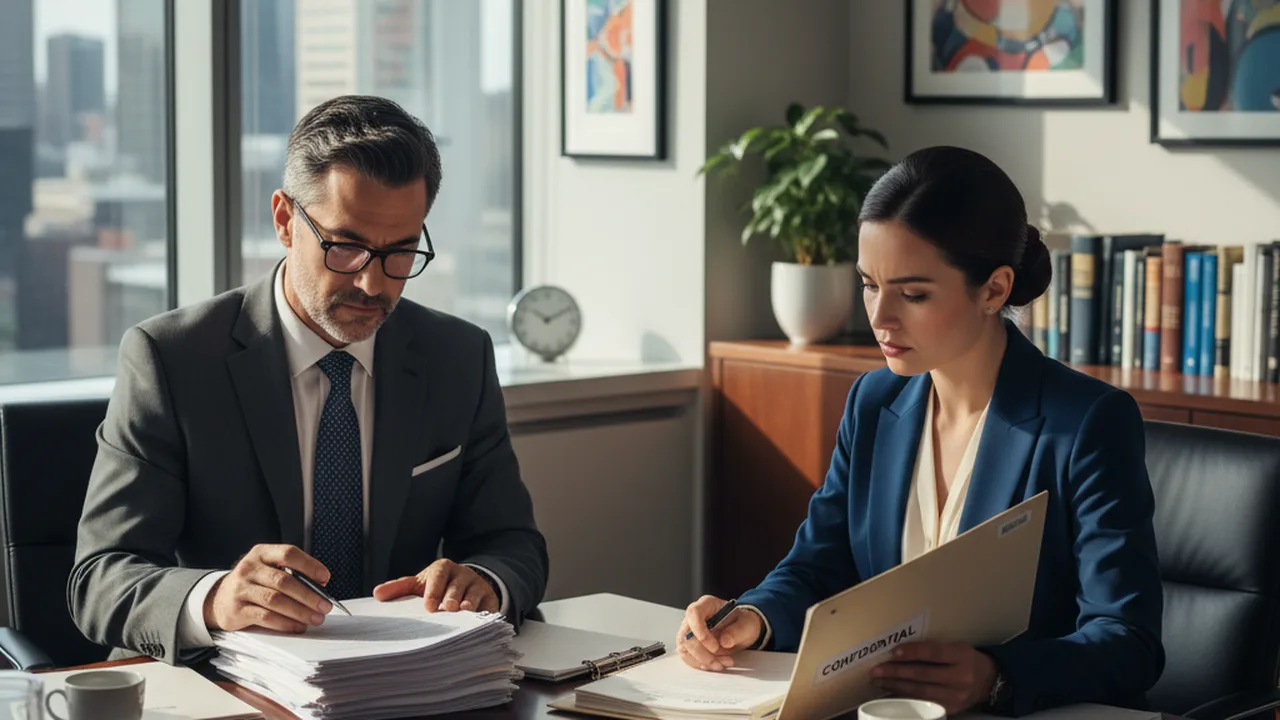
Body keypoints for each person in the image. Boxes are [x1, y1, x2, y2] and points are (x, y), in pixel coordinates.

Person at [677, 146, 1164, 716]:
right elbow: (817, 568)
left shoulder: (1085, 422)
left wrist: (996, 677)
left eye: (912, 294)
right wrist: (753, 619)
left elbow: (1129, 641)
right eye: (868, 284)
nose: (879, 317)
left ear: (994, 290)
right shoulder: (874, 401)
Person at [69, 95, 548, 664]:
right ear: (284, 220)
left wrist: (482, 579)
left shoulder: (458, 356)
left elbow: (513, 543)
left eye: (400, 253)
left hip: (401, 684)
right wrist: (217, 597)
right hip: (224, 684)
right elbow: (100, 579)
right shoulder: (171, 359)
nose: (373, 285)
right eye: (346, 247)